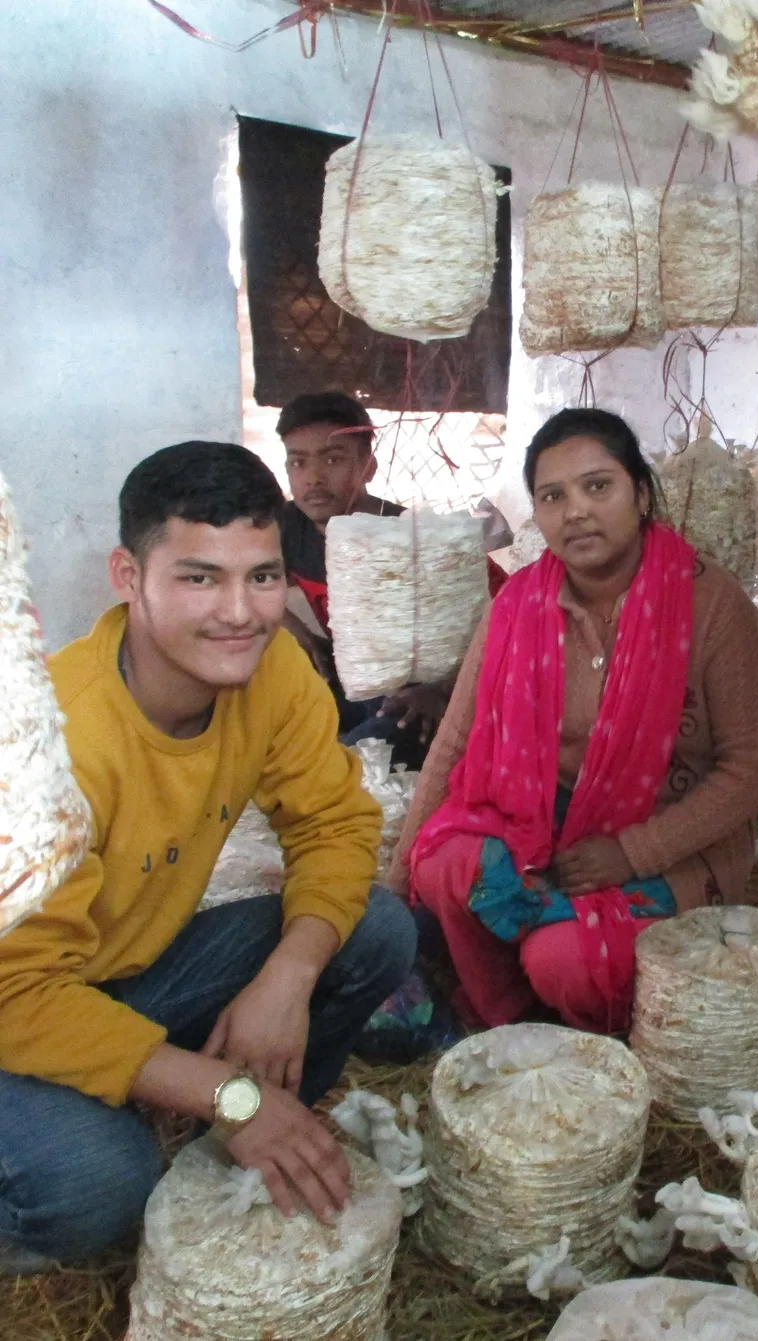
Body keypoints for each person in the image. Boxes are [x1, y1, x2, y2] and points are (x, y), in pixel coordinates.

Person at [0, 442, 416, 1271]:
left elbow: (334, 824)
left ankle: (240, 1131)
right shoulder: (56, 744)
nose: (241, 612)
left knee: (373, 928)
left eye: (262, 575)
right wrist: (227, 1090)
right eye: (200, 577)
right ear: (128, 576)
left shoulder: (274, 670)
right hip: (16, 1015)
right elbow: (16, 992)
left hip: (121, 976)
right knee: (100, 1183)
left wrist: (287, 977)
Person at [387, 408, 758, 1034]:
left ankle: (573, 993)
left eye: (597, 486)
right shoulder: (517, 605)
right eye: (552, 496)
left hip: (668, 837)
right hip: (544, 827)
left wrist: (632, 852)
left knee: (567, 963)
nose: (574, 510)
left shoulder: (710, 607)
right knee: (445, 863)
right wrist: (398, 872)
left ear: (642, 494)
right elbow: (455, 742)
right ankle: (509, 1015)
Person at [275, 392, 510, 767]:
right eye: (298, 462)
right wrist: (306, 640)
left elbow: (512, 618)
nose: (313, 478)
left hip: (419, 698)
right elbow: (240, 583)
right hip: (348, 682)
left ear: (367, 467)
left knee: (367, 751)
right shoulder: (289, 527)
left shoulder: (417, 539)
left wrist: (445, 688)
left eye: (333, 459)